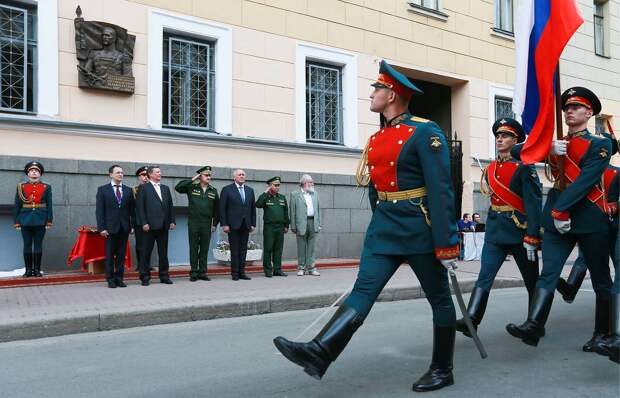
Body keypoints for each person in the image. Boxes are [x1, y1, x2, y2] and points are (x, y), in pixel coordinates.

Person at [273, 60, 460, 392]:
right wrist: (380, 219)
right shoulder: (377, 138)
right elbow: (375, 188)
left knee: (439, 298)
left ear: (392, 95)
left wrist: (447, 243)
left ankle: (443, 368)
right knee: (363, 290)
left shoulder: (425, 132)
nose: (371, 93)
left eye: (377, 88)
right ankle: (320, 352)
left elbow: (441, 190)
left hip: (419, 228)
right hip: (385, 228)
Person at [506, 87, 613, 349]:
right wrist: (546, 147)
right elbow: (517, 151)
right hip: (556, 218)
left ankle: (603, 334)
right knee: (549, 273)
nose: (569, 111)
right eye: (566, 107)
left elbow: (585, 182)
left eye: (576, 107)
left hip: (588, 217)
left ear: (589, 113)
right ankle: (534, 325)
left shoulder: (600, 143)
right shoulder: (554, 142)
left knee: (600, 278)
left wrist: (560, 210)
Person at [455, 118, 542, 339]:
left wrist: (532, 236)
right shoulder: (492, 168)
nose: (500, 139)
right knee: (485, 275)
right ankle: (472, 319)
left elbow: (533, 205)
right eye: (498, 136)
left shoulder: (524, 168)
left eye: (505, 136)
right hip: (495, 231)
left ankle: (535, 324)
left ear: (516, 140)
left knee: (531, 280)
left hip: (519, 231)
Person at [175, 166, 219, 282]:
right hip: (194, 223)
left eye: (209, 175)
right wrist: (193, 179)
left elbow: (217, 210)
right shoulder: (192, 187)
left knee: (204, 249)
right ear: (200, 177)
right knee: (194, 248)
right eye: (206, 175)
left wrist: (215, 224)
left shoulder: (213, 190)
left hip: (207, 223)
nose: (208, 177)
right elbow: (178, 187)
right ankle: (194, 272)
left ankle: (203, 272)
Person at [136, 166, 176, 286]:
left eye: (160, 172)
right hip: (149, 226)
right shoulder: (143, 188)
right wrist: (144, 222)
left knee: (163, 253)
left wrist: (172, 221)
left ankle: (164, 275)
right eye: (157, 172)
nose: (160, 173)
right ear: (150, 174)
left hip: (163, 226)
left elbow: (170, 206)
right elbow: (140, 208)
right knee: (146, 252)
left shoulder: (165, 188)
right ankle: (145, 276)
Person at [96, 165, 134, 288]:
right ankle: (110, 279)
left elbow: (132, 210)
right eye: (117, 172)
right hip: (109, 228)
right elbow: (99, 211)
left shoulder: (128, 190)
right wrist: (102, 228)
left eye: (122, 172)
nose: (120, 174)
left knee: (121, 255)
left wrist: (132, 226)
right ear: (110, 174)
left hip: (124, 228)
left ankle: (119, 278)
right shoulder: (103, 190)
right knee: (109, 255)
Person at [13, 161, 53, 277]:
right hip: (25, 219)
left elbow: (49, 204)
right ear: (28, 173)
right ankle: (28, 270)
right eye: (32, 171)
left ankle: (36, 270)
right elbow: (17, 205)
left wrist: (49, 220)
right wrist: (16, 221)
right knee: (27, 245)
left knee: (38, 245)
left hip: (41, 219)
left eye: (36, 171)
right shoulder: (21, 187)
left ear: (40, 174)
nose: (34, 173)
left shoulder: (46, 187)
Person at [219, 169, 256, 281]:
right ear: (234, 177)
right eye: (239, 175)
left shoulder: (250, 190)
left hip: (246, 225)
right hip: (232, 225)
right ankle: (235, 273)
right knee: (234, 250)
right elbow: (222, 208)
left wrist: (253, 223)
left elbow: (252, 209)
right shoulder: (227, 190)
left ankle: (242, 272)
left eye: (243, 174)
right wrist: (224, 224)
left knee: (243, 250)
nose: (242, 176)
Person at [256, 176, 289, 277]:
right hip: (269, 227)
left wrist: (286, 225)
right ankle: (268, 271)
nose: (277, 187)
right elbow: (258, 204)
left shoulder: (282, 198)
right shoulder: (266, 197)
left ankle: (277, 270)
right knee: (268, 249)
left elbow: (285, 212)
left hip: (280, 227)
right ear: (270, 186)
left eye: (278, 185)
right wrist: (265, 192)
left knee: (278, 249)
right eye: (275, 185)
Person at [290, 174, 321, 276]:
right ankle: (301, 268)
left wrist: (319, 223)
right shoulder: (295, 194)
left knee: (311, 247)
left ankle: (311, 268)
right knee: (301, 247)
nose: (313, 184)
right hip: (301, 224)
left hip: (313, 222)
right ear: (304, 183)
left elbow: (318, 209)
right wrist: (293, 226)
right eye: (311, 182)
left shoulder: (315, 194)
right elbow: (292, 211)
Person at [132, 166, 149, 271]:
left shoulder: (155, 188)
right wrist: (132, 224)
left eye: (147, 175)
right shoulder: (134, 190)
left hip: (151, 221)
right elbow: (132, 209)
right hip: (138, 222)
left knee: (149, 245)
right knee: (140, 245)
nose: (145, 177)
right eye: (143, 175)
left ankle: (147, 264)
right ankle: (140, 264)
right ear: (139, 177)